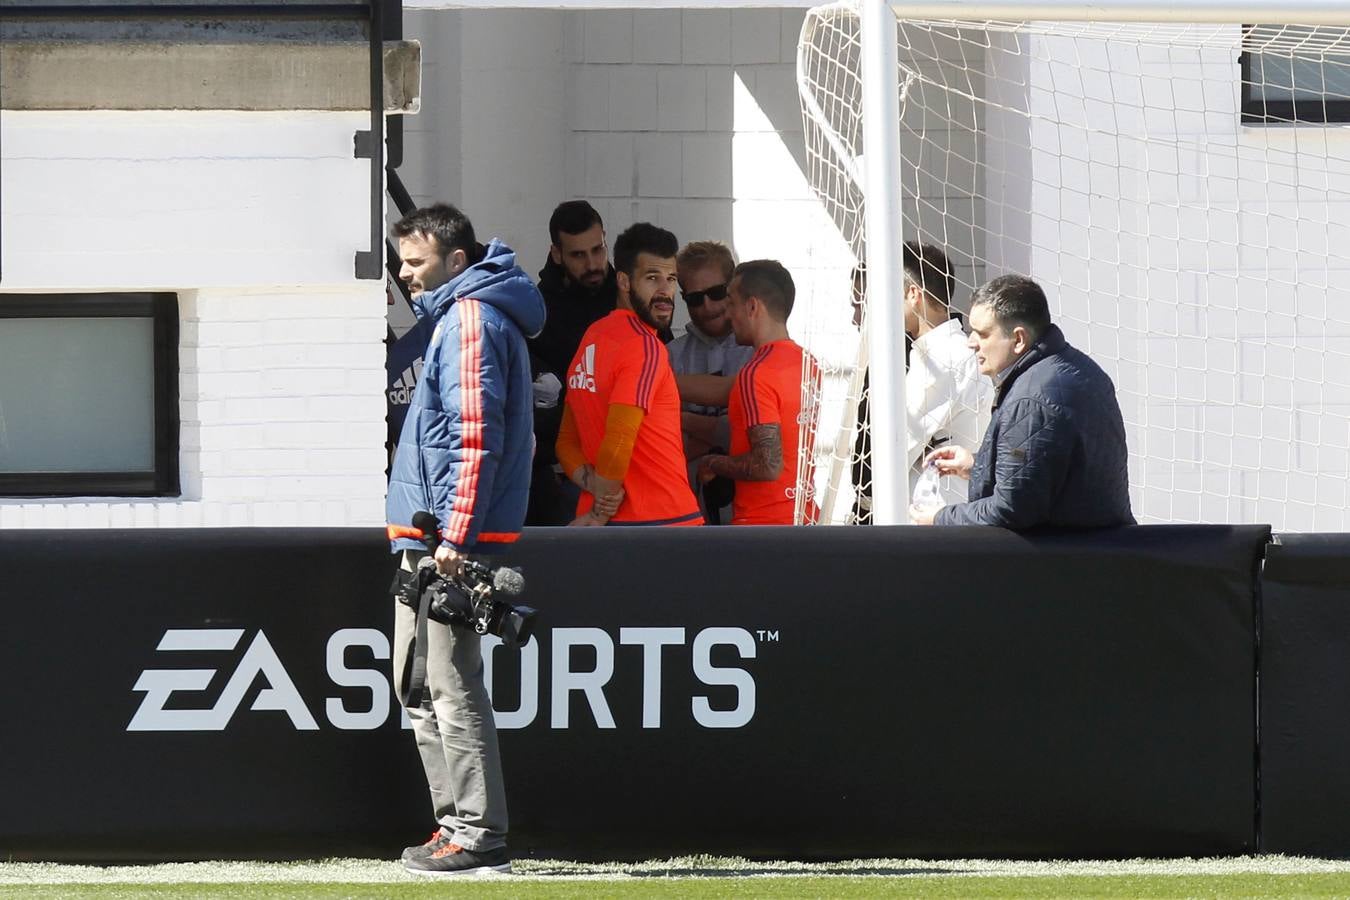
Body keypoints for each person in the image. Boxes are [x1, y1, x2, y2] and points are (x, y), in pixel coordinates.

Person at [385, 203, 545, 876]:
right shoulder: (459, 316)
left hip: (448, 539)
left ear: (455, 261)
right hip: (429, 535)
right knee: (418, 685)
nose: (403, 273)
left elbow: (475, 440)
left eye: (415, 262)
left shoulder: (471, 320)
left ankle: (479, 836)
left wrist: (455, 535)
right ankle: (455, 827)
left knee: (449, 686)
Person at [913, 274, 1134, 530]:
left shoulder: (1031, 398)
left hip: (1064, 563)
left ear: (1018, 339)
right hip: (1098, 552)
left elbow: (1011, 511)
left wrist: (940, 518)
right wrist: (978, 465)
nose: (971, 342)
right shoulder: (1081, 368)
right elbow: (1047, 478)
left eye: (982, 334)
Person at [555, 222, 702, 527]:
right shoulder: (646, 345)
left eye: (671, 279)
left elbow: (566, 443)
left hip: (607, 522)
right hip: (661, 521)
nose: (665, 292)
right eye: (652, 278)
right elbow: (619, 438)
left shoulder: (592, 337)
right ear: (623, 281)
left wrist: (594, 489)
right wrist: (599, 513)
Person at [696, 259, 819, 525]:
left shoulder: (756, 372)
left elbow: (768, 464)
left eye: (730, 303)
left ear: (752, 306)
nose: (727, 314)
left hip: (762, 528)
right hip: (805, 519)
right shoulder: (808, 362)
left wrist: (713, 462)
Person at [526, 200, 617, 525]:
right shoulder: (537, 313)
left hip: (628, 466)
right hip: (562, 473)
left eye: (598, 249)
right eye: (579, 255)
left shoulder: (627, 296)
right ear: (557, 253)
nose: (592, 263)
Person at [896, 242, 990, 508]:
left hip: (942, 509)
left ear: (913, 294)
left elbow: (899, 446)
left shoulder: (944, 356)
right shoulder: (941, 349)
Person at [669, 241, 755, 523]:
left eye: (716, 293)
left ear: (733, 287)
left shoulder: (759, 350)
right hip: (688, 512)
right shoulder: (671, 355)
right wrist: (720, 432)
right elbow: (666, 446)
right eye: (695, 298)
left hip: (751, 512)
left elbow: (748, 439)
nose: (707, 306)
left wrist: (684, 419)